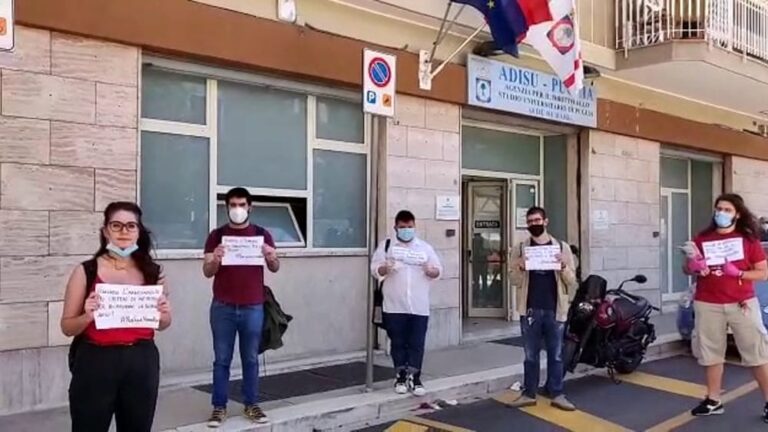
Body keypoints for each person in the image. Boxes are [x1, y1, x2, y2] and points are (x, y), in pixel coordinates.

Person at [61, 202, 171, 432]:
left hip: (141, 361)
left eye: (131, 226)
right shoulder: (86, 271)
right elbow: (67, 327)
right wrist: (87, 317)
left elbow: (164, 323)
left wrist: (163, 313)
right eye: (116, 225)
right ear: (105, 231)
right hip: (96, 361)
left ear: (139, 232)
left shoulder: (153, 272)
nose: (123, 232)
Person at [684, 193, 768, 420]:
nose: (721, 213)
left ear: (737, 214)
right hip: (708, 303)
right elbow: (687, 268)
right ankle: (713, 400)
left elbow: (763, 272)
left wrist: (739, 273)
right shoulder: (702, 239)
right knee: (711, 354)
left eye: (727, 210)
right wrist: (694, 266)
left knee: (757, 354)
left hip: (742, 304)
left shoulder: (748, 240)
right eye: (719, 208)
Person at [203, 187, 280, 427]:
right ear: (227, 208)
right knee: (222, 359)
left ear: (250, 207)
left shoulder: (262, 234)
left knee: (250, 359)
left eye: (241, 205)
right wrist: (215, 259)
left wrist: (270, 257)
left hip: (252, 307)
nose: (237, 210)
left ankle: (252, 404)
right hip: (223, 307)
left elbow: (275, 267)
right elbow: (207, 272)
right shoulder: (216, 236)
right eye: (232, 205)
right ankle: (219, 407)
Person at [508, 206, 578, 411]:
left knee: (555, 354)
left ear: (545, 221)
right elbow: (513, 279)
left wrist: (564, 265)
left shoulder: (562, 247)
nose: (534, 225)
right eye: (530, 222)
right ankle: (529, 393)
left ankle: (557, 393)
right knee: (531, 355)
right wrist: (519, 266)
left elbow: (571, 281)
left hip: (555, 309)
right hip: (530, 310)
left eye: (537, 220)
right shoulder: (520, 248)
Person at [371, 210, 442, 396]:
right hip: (394, 305)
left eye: (409, 227)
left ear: (415, 227)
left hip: (419, 306)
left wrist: (430, 271)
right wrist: (385, 267)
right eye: (402, 227)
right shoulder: (387, 247)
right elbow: (375, 269)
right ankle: (400, 376)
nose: (406, 230)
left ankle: (416, 378)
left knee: (417, 343)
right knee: (398, 343)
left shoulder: (424, 248)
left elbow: (438, 271)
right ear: (395, 228)